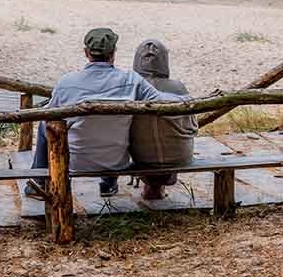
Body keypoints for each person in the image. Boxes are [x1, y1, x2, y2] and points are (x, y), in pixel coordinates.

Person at [27, 28, 177, 198]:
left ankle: (38, 181)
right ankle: (108, 183)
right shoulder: (131, 80)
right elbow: (162, 101)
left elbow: (50, 116)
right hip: (116, 162)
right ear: (113, 52)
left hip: (75, 162)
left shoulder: (67, 82)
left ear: (86, 52)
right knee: (115, 126)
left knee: (44, 124)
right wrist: (182, 96)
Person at [129, 39, 197, 200]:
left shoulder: (130, 88)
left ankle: (150, 185)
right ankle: (158, 187)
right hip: (179, 157)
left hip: (142, 159)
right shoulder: (178, 88)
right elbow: (193, 126)